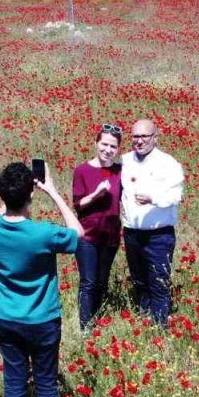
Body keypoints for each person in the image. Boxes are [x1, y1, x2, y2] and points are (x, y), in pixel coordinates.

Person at [0, 162, 84, 397]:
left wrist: (13, 199)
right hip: (42, 321)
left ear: (1, 194)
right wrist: (51, 191)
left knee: (14, 381)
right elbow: (78, 232)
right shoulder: (43, 234)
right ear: (31, 196)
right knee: (46, 382)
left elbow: (3, 211)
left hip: (7, 319)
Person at [120, 118, 184, 330]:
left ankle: (160, 329)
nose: (139, 141)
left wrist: (153, 198)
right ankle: (144, 321)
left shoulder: (169, 163)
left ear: (155, 138)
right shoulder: (124, 161)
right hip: (131, 232)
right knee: (139, 281)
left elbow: (176, 195)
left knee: (158, 283)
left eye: (144, 136)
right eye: (135, 136)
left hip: (158, 235)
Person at [72, 124, 124, 334]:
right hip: (87, 234)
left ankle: (98, 318)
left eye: (113, 146)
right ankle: (86, 327)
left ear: (118, 149)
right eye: (104, 144)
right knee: (88, 282)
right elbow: (78, 204)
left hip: (110, 234)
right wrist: (96, 194)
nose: (107, 150)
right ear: (96, 143)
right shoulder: (82, 170)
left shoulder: (120, 171)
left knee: (102, 281)